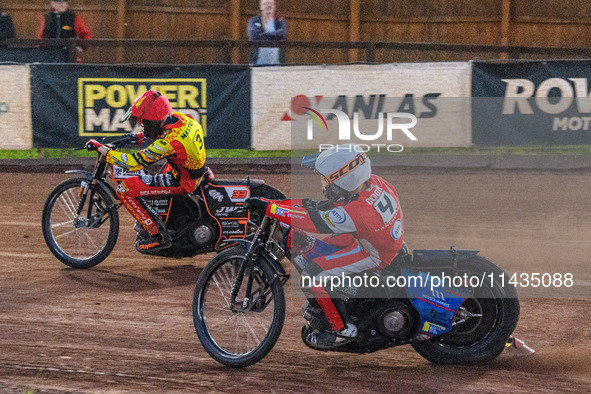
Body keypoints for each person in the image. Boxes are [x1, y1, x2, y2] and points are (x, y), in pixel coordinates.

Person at [248, 145, 405, 349]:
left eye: (327, 179)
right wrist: (281, 204)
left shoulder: (358, 212)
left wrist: (271, 208)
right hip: (378, 240)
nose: (324, 184)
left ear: (344, 179)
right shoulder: (375, 183)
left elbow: (313, 221)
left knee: (311, 275)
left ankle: (340, 330)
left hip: (373, 254)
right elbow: (326, 208)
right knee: (317, 247)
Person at [85, 90, 208, 252]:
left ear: (153, 121)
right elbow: (161, 132)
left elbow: (132, 163)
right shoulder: (181, 118)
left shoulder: (168, 143)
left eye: (143, 122)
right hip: (192, 170)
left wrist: (104, 150)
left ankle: (158, 236)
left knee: (124, 189)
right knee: (150, 178)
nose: (142, 125)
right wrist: (135, 137)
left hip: (183, 181)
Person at [247, 0, 287, 65]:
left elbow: (282, 34)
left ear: (274, 6)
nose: (268, 6)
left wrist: (264, 34)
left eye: (271, 3)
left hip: (277, 65)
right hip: (257, 64)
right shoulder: (253, 20)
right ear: (261, 6)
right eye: (265, 3)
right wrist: (274, 36)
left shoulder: (280, 21)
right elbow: (253, 36)